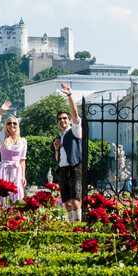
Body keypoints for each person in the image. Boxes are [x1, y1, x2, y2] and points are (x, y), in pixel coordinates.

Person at [52, 83, 82, 223]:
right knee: (67, 203)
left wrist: (70, 95)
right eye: (60, 119)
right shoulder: (58, 137)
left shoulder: (74, 131)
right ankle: (71, 227)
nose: (62, 120)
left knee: (76, 201)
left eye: (65, 118)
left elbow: (75, 114)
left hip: (74, 167)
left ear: (69, 120)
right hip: (62, 169)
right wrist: (57, 148)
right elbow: (57, 158)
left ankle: (78, 226)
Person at [0, 101, 27, 204]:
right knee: (3, 197)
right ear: (6, 126)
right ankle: (4, 217)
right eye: (9, 123)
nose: (12, 125)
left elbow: (22, 160)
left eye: (14, 123)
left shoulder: (23, 141)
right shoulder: (2, 138)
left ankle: (14, 219)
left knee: (16, 196)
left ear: (17, 126)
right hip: (4, 169)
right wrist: (1, 111)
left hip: (17, 170)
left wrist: (23, 176)